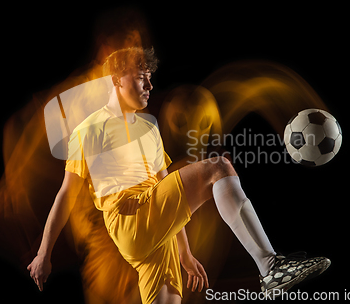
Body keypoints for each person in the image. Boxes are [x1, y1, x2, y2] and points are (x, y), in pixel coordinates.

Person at [27, 47, 331, 304]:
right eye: (140, 77)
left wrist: (185, 253)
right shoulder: (90, 129)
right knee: (219, 167)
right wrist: (44, 254)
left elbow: (164, 188)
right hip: (129, 219)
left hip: (155, 231)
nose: (149, 85)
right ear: (117, 80)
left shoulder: (148, 128)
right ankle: (270, 267)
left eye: (150, 77)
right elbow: (66, 193)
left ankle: (269, 268)